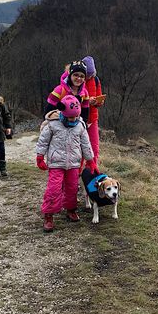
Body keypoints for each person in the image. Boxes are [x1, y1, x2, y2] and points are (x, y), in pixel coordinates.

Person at [36, 94, 98, 232]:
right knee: (53, 189)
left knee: (72, 188)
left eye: (75, 116)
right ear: (62, 112)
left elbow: (86, 144)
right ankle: (49, 214)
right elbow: (43, 141)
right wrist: (40, 156)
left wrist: (90, 160)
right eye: (70, 117)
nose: (73, 119)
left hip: (74, 163)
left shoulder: (80, 125)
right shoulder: (53, 124)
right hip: (56, 163)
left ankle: (70, 209)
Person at [82, 55, 104, 164]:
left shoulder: (96, 80)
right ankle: (77, 170)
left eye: (91, 74)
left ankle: (92, 169)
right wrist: (87, 101)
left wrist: (98, 102)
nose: (89, 76)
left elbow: (99, 95)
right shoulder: (78, 79)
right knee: (79, 147)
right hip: (80, 118)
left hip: (93, 118)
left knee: (94, 147)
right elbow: (72, 99)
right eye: (87, 74)